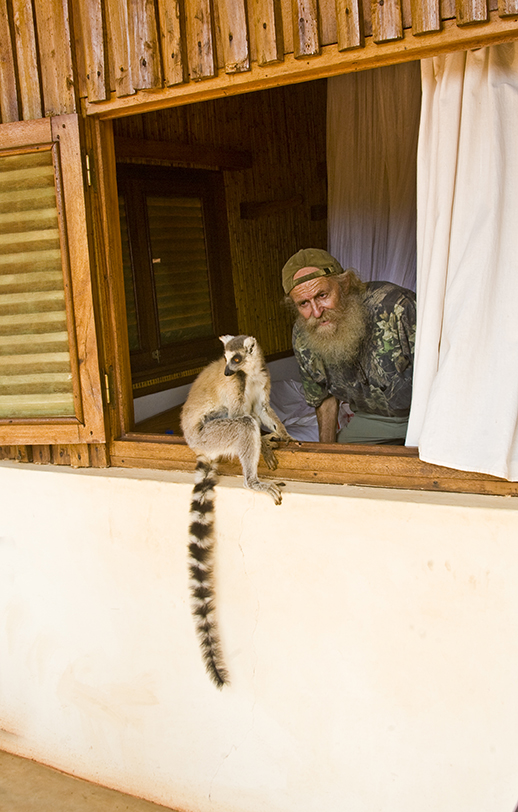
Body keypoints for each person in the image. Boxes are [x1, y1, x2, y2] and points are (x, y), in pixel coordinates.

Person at [282, 248, 416, 444]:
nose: (317, 312)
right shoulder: (303, 336)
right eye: (304, 303)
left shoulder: (398, 307)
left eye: (322, 295)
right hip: (371, 421)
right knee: (339, 468)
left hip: (423, 415)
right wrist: (327, 455)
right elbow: (323, 398)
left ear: (344, 285)